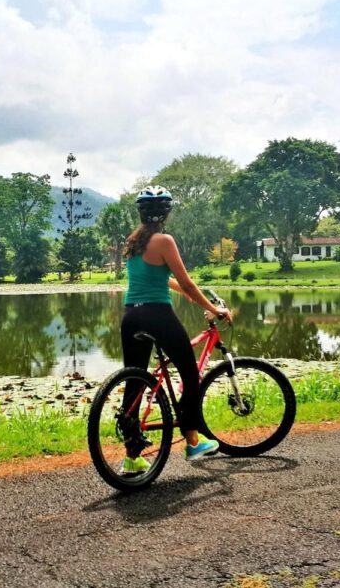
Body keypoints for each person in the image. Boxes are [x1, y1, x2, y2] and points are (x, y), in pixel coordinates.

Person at [119, 185, 232, 474]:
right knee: (190, 373)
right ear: (166, 212)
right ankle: (193, 441)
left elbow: (158, 280)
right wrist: (215, 308)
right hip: (158, 314)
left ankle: (132, 457)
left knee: (135, 381)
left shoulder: (134, 241)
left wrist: (183, 294)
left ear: (141, 212)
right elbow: (188, 282)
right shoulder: (164, 240)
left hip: (131, 315)